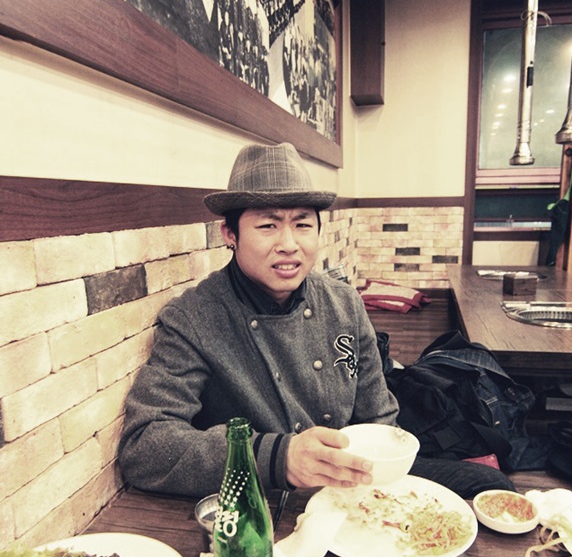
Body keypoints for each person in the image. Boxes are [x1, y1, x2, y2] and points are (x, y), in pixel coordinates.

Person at [118, 142, 515, 499]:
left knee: (492, 485)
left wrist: (381, 482)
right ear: (230, 234)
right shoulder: (193, 318)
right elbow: (145, 446)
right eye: (268, 225)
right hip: (263, 494)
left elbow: (379, 415)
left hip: (351, 484)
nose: (289, 244)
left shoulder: (343, 302)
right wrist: (278, 457)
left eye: (303, 224)